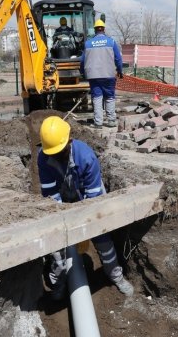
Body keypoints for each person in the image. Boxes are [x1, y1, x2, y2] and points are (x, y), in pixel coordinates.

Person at [37, 115, 134, 298]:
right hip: (63, 201)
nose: (56, 156)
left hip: (89, 197)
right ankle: (58, 285)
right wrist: (66, 223)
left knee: (102, 239)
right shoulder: (44, 157)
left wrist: (84, 229)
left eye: (60, 152)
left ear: (69, 142)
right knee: (57, 250)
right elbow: (51, 196)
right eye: (52, 153)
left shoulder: (86, 157)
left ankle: (116, 276)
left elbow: (93, 199)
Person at [80, 19, 123, 128]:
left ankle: (98, 123)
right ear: (103, 29)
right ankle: (111, 121)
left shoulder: (88, 43)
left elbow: (82, 61)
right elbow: (118, 58)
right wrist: (120, 71)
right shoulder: (111, 42)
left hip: (94, 76)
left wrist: (82, 73)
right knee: (109, 96)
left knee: (97, 98)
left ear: (95, 30)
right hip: (108, 75)